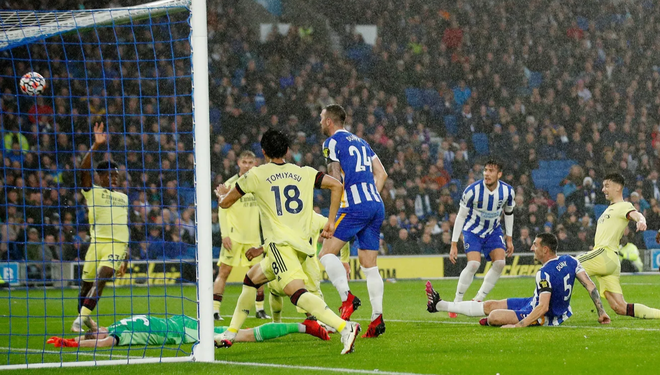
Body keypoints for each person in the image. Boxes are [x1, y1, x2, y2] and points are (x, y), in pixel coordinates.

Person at [214, 128, 360, 355]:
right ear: (288, 150)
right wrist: (331, 221)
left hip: (280, 246)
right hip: (300, 246)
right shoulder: (304, 172)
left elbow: (225, 204)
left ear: (263, 152)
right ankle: (231, 333)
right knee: (251, 279)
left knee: (298, 295)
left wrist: (221, 194)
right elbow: (337, 185)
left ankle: (344, 327)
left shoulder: (256, 175)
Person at [426, 233, 611, 327]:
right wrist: (601, 311)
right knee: (492, 304)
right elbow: (590, 285)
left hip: (544, 317)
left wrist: (519, 325)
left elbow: (543, 308)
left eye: (535, 245)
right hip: (539, 304)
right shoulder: (571, 260)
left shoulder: (544, 273)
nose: (532, 248)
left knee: (494, 316)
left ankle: (491, 322)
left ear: (545, 250)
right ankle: (440, 305)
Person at [317, 104, 389, 338]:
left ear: (329, 121)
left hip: (355, 205)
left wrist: (331, 219)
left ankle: (347, 298)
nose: (320, 122)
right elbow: (382, 174)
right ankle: (377, 318)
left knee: (326, 254)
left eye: (321, 118)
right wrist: (371, 198)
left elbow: (335, 182)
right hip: (376, 205)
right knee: (370, 266)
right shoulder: (362, 142)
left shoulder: (331, 143)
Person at [71, 122, 129, 333]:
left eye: (116, 175)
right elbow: (83, 169)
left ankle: (80, 319)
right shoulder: (92, 191)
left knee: (102, 277)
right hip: (97, 244)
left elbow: (124, 226)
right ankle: (86, 321)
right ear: (100, 177)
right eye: (110, 175)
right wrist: (96, 146)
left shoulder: (123, 197)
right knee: (86, 286)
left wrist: (126, 257)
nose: (114, 178)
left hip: (117, 246)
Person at [579, 173, 660, 319]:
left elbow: (636, 214)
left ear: (618, 187)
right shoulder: (608, 209)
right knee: (620, 307)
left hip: (605, 254)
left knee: (565, 267)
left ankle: (545, 311)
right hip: (610, 260)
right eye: (603, 186)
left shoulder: (624, 206)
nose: (603, 189)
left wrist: (641, 221)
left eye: (607, 186)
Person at [447, 159, 515, 318]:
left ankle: (478, 298)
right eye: (485, 170)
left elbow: (509, 213)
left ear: (499, 174)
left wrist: (509, 238)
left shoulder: (507, 191)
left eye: (491, 171)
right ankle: (456, 303)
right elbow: (460, 216)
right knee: (474, 264)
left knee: (500, 263)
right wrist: (454, 243)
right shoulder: (472, 191)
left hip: (493, 230)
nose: (487, 174)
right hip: (473, 230)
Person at [213, 150, 270, 321]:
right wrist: (225, 235)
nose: (247, 165)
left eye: (250, 162)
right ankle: (215, 311)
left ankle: (260, 309)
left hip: (253, 238)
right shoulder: (230, 184)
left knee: (259, 273)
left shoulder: (258, 184)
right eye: (244, 162)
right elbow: (222, 210)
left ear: (255, 164)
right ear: (238, 163)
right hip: (234, 237)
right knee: (224, 272)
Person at [46, 314, 328, 348]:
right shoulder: (118, 324)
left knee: (241, 334)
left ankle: (304, 327)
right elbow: (96, 330)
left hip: (185, 333)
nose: (96, 333)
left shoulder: (118, 334)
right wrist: (78, 332)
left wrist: (71, 344)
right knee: (238, 331)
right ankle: (305, 327)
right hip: (184, 322)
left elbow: (103, 342)